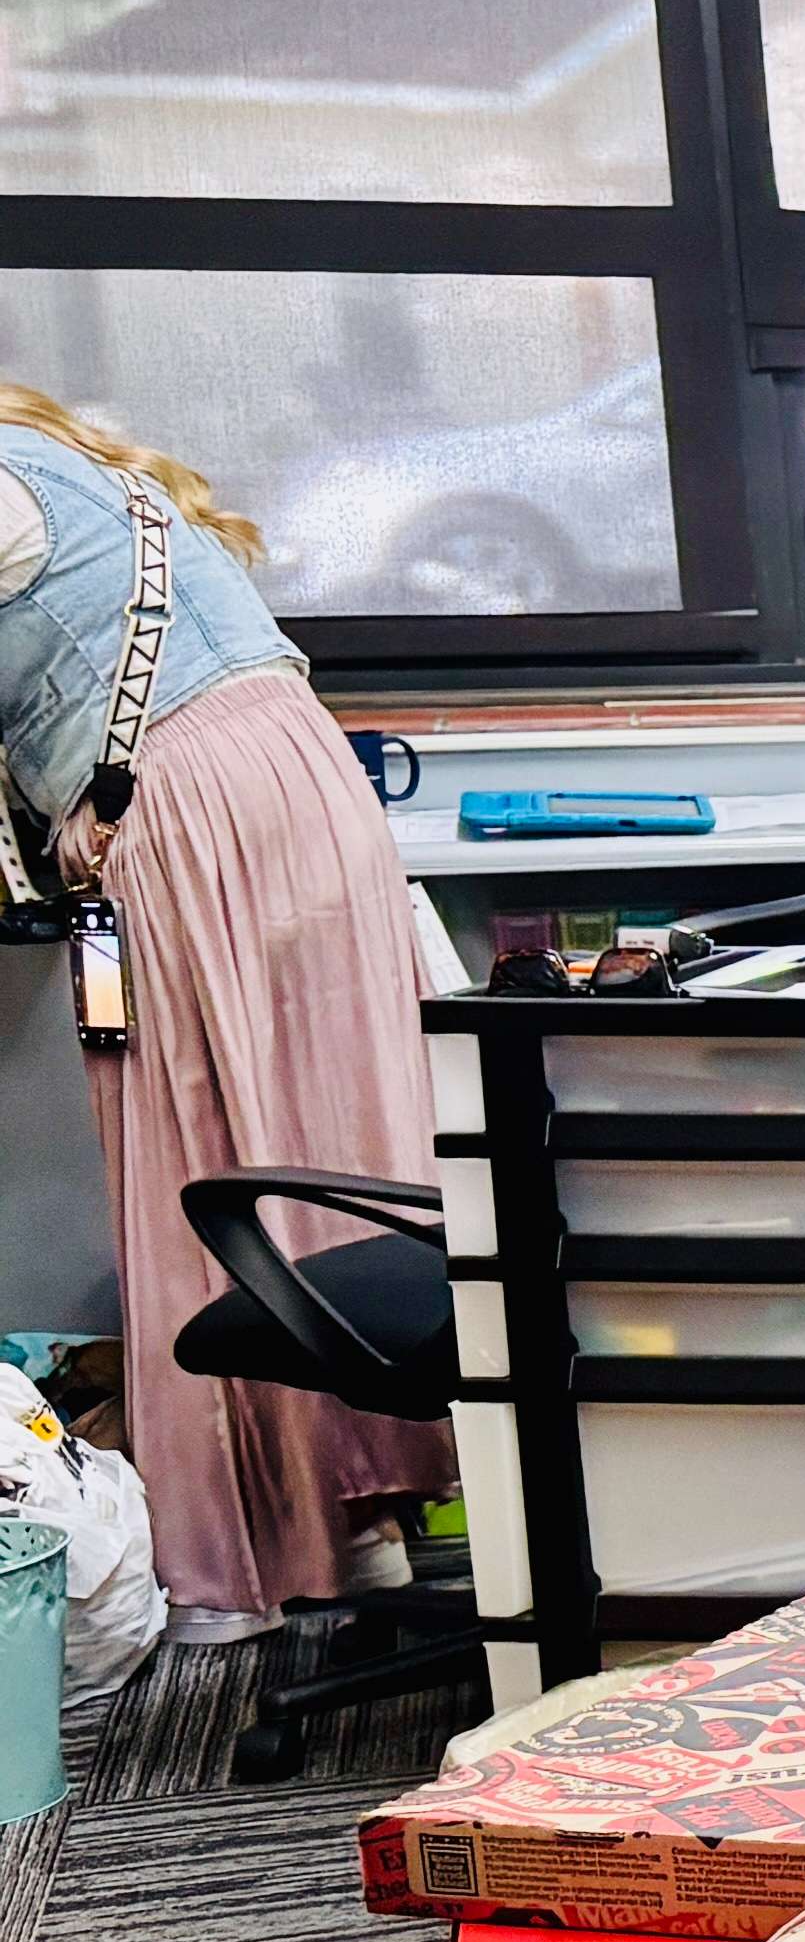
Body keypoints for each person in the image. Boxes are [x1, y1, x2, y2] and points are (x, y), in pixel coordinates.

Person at [3, 388, 453, 1638]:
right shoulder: (62, 463)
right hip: (296, 778)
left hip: (185, 801)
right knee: (329, 1143)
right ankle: (359, 1520)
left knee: (200, 1155)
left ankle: (256, 1553)